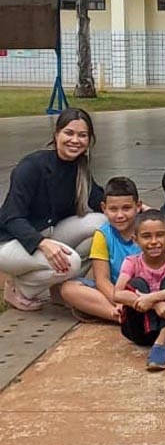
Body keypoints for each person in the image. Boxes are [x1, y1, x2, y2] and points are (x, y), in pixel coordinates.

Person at [0, 108, 107, 311]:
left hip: (48, 232)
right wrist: (43, 243)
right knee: (71, 262)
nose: (75, 140)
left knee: (102, 225)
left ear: (89, 140)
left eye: (82, 135)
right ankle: (20, 290)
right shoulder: (31, 166)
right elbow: (11, 217)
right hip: (10, 242)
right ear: (57, 134)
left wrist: (137, 208)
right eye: (69, 133)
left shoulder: (79, 167)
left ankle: (60, 290)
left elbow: (100, 201)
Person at [114, 210, 165, 371]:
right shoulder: (132, 262)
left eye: (159, 235)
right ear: (135, 240)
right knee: (137, 283)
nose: (154, 241)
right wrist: (156, 304)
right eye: (146, 236)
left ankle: (162, 339)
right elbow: (117, 293)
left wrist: (153, 297)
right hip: (139, 331)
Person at [60, 177, 142, 323]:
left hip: (146, 289)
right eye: (113, 209)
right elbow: (102, 280)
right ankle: (119, 316)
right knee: (68, 289)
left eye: (126, 208)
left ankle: (132, 312)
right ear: (104, 208)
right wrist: (118, 301)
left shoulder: (147, 229)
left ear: (138, 206)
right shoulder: (103, 234)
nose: (120, 215)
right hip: (114, 290)